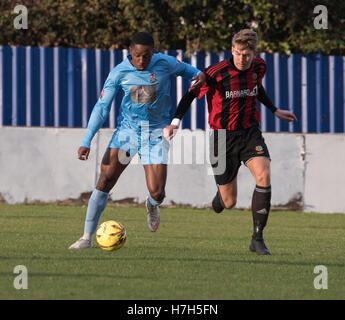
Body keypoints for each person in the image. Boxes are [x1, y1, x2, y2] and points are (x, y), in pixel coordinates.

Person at [163, 29, 297, 255]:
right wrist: (175, 123)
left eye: (248, 54)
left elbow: (256, 88)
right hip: (221, 138)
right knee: (229, 202)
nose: (243, 59)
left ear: (254, 53)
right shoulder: (214, 73)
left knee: (264, 175)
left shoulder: (259, 67)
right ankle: (220, 198)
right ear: (232, 50)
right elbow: (189, 95)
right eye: (239, 53)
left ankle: (257, 238)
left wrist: (274, 110)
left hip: (249, 133)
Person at [69, 32, 205, 249]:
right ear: (130, 51)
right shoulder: (119, 72)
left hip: (155, 133)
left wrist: (200, 75)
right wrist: (86, 141)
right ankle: (86, 237)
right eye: (138, 56)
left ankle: (152, 205)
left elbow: (191, 71)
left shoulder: (165, 63)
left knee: (158, 192)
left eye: (147, 56)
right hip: (128, 133)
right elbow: (102, 107)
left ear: (154, 52)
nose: (142, 61)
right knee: (105, 180)